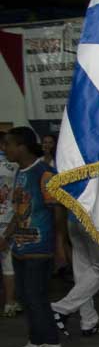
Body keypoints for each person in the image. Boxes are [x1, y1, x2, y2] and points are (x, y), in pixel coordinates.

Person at [3, 128, 66, 347]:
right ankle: (36, 340)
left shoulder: (45, 173)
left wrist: (59, 245)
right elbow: (19, 211)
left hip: (40, 247)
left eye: (8, 144)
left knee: (36, 296)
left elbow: (58, 211)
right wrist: (6, 237)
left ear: (22, 146)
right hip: (20, 246)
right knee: (24, 296)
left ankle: (52, 342)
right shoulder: (20, 172)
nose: (5, 149)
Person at [50, 208, 99, 338]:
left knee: (83, 273)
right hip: (96, 220)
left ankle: (89, 322)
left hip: (74, 219)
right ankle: (61, 308)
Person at [0, 133, 20, 316]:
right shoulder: (16, 166)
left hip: (8, 221)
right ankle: (10, 303)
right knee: (9, 266)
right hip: (10, 220)